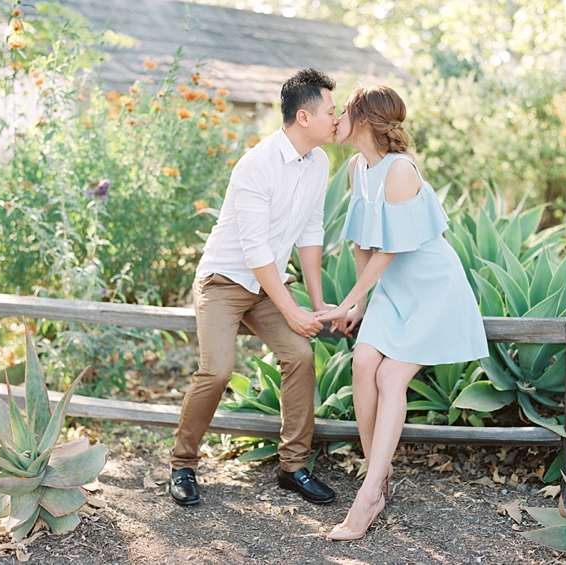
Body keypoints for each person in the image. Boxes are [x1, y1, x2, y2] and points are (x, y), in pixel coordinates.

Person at [317, 86, 489, 540]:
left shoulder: (399, 170)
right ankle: (379, 475)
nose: (335, 120)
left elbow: (390, 250)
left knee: (391, 376)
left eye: (344, 112)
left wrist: (352, 298)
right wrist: (357, 303)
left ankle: (369, 493)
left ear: (364, 120)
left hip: (433, 289)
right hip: (392, 290)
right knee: (362, 364)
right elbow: (361, 242)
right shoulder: (358, 168)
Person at [169, 69, 339, 506]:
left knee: (300, 356)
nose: (337, 119)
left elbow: (311, 232)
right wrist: (292, 311)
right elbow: (255, 249)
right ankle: (182, 465)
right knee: (218, 370)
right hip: (224, 282)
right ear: (304, 116)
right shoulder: (257, 165)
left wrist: (317, 305)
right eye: (331, 112)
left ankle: (293, 467)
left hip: (267, 286)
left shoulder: (319, 162)